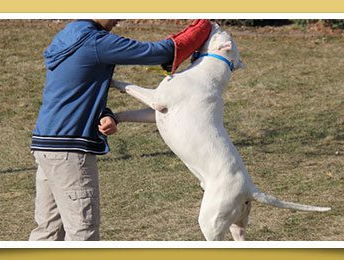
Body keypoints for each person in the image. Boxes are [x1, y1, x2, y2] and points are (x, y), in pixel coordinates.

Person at [29, 19, 211, 241]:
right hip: (70, 152)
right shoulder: (95, 41)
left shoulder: (68, 36)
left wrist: (103, 113)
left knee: (48, 232)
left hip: (46, 146)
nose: (120, 17)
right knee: (83, 233)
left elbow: (73, 89)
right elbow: (158, 52)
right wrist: (204, 26)